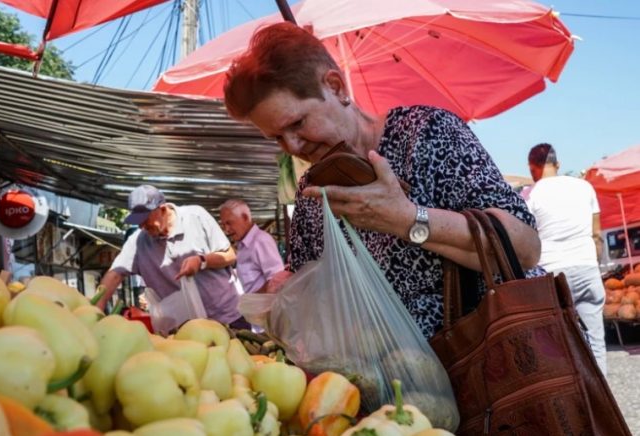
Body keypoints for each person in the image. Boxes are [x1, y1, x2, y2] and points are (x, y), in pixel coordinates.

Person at [222, 22, 542, 339]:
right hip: (389, 385)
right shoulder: (310, 196)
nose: (292, 146)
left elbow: (525, 247)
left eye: (297, 123)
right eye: (277, 137)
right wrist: (288, 290)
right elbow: (317, 294)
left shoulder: (426, 135)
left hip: (488, 366)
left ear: (335, 87)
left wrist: (405, 219)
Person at [96, 185, 247, 328]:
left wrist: (202, 261)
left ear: (162, 209)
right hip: (185, 329)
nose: (142, 226)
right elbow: (114, 274)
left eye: (145, 219)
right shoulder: (138, 241)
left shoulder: (196, 217)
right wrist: (95, 311)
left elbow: (230, 255)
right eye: (138, 222)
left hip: (228, 317)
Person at [526, 143, 607, 374]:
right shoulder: (584, 187)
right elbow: (596, 235)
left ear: (532, 168)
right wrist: (594, 266)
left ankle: (574, 400)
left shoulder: (531, 195)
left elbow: (529, 241)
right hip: (586, 267)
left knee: (559, 346)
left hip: (551, 274)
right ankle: (603, 402)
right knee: (596, 341)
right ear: (557, 164)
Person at [219, 199, 284, 294]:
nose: (226, 229)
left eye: (229, 223)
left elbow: (277, 281)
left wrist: (252, 299)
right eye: (224, 225)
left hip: (266, 306)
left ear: (245, 217)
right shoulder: (242, 245)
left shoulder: (261, 241)